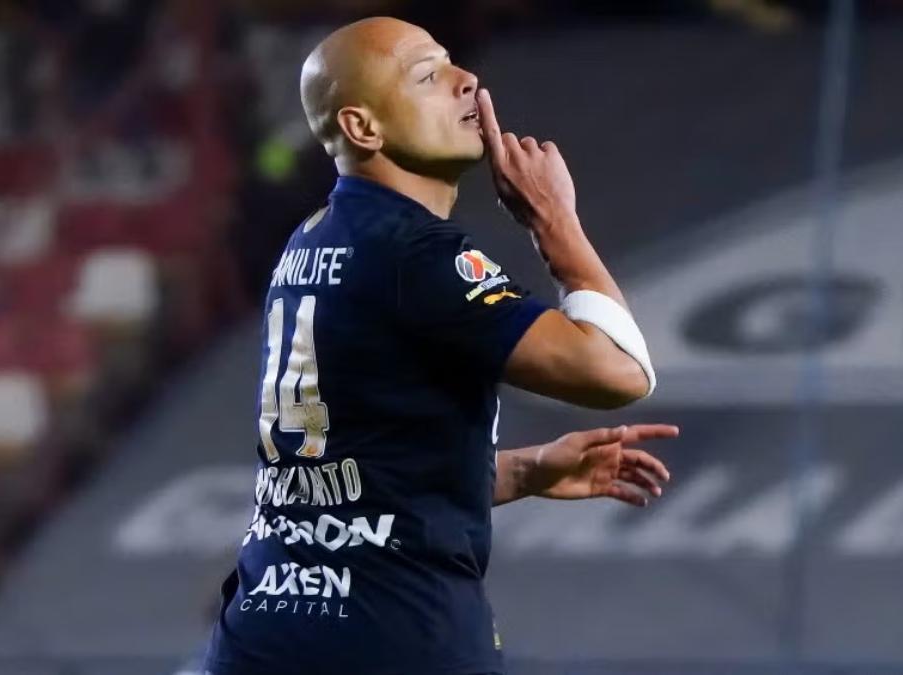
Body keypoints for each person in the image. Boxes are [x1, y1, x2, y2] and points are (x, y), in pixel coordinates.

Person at [196, 16, 677, 675]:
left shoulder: (311, 240)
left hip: (263, 630)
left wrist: (529, 470)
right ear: (364, 128)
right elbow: (617, 371)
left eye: (453, 64)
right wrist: (556, 224)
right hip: (393, 631)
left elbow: (359, 484)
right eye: (428, 75)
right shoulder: (413, 251)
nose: (466, 81)